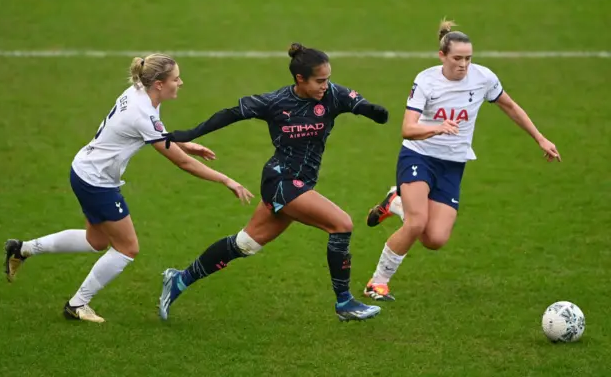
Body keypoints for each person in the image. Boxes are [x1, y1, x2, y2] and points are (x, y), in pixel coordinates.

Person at [4, 54, 254, 323]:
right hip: (97, 183)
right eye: (175, 79)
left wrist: (186, 143)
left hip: (85, 170)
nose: (180, 82)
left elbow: (153, 133)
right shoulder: (143, 112)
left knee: (96, 241)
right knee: (127, 248)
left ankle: (22, 249)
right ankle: (77, 304)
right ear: (158, 83)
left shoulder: (138, 91)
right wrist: (226, 179)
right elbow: (181, 162)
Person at [158, 43, 389, 321]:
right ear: (300, 79)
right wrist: (190, 133)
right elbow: (231, 113)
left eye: (327, 79)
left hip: (300, 183)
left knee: (245, 244)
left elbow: (357, 103)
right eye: (319, 81)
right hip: (281, 181)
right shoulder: (276, 102)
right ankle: (345, 303)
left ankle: (179, 279)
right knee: (341, 224)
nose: (325, 86)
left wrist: (372, 111)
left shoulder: (332, 95)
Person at [363, 20, 561, 302]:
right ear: (442, 55)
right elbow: (408, 128)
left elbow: (510, 106)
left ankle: (395, 201)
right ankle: (377, 283)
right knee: (417, 223)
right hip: (418, 155)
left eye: (468, 58)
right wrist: (437, 127)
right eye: (457, 58)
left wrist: (540, 138)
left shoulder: (483, 78)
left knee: (435, 240)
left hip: (452, 165)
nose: (464, 64)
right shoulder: (426, 80)